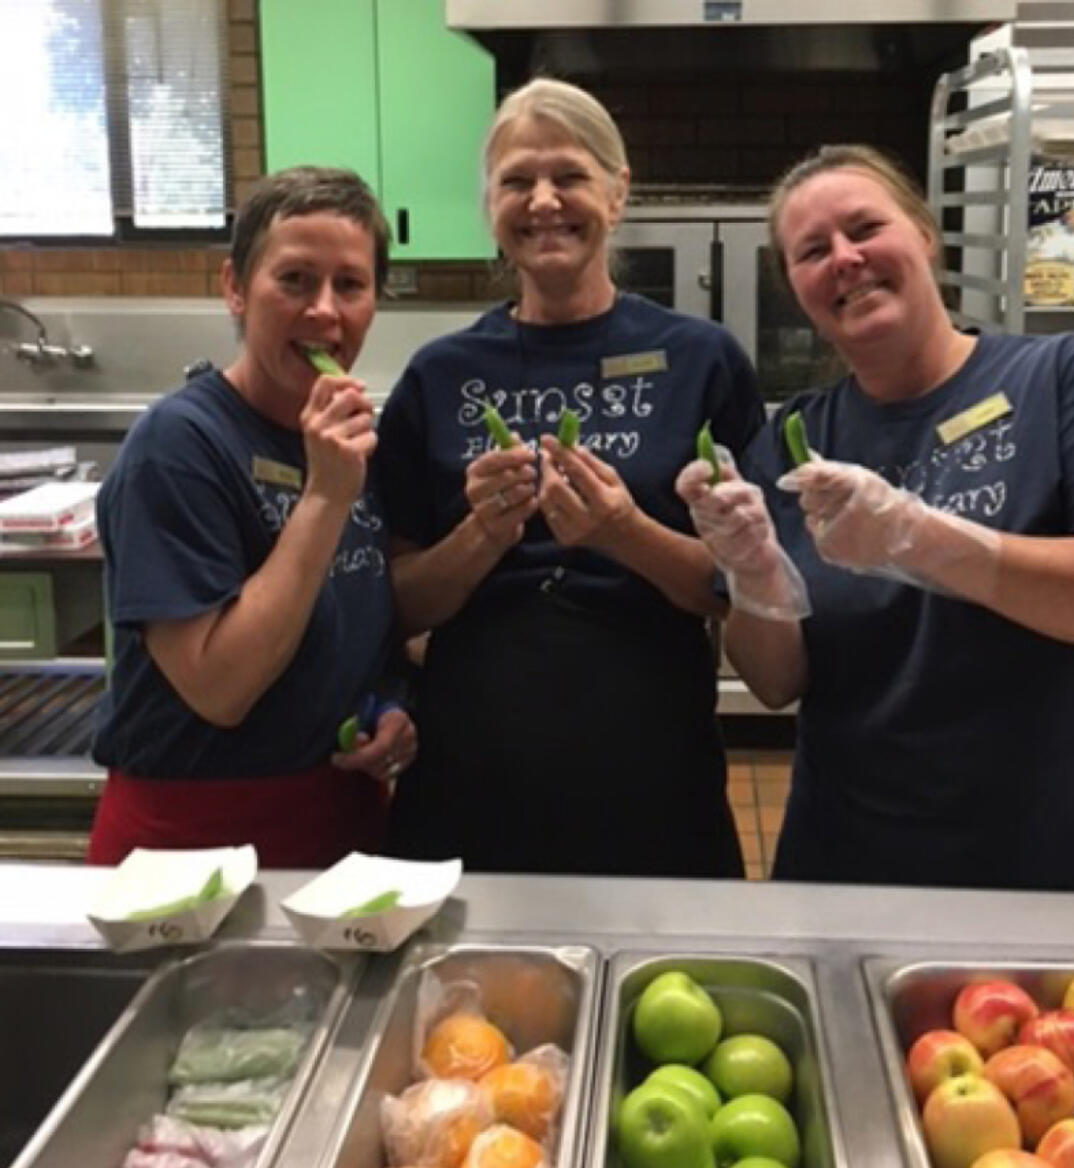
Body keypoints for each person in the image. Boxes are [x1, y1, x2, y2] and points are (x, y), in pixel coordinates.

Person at [676, 144, 1074, 894]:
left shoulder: (1065, 379)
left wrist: (917, 536)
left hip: (1068, 866)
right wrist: (752, 570)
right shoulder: (794, 439)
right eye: (812, 251)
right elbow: (775, 679)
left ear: (924, 235)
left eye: (865, 227)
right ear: (796, 288)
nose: (845, 258)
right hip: (859, 867)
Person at [375, 77, 763, 875]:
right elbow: (398, 603)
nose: (543, 200)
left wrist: (624, 533)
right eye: (517, 180)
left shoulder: (701, 361)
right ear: (490, 204)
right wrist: (483, 535)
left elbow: (738, 587)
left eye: (569, 176)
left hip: (651, 750)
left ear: (617, 194)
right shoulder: (439, 376)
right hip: (475, 755)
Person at [89, 166, 417, 868]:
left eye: (350, 285)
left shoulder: (348, 439)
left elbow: (362, 619)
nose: (325, 311)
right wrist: (325, 497)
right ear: (235, 288)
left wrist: (388, 706)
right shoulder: (179, 447)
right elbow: (220, 688)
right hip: (192, 841)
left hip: (340, 821)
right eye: (294, 280)